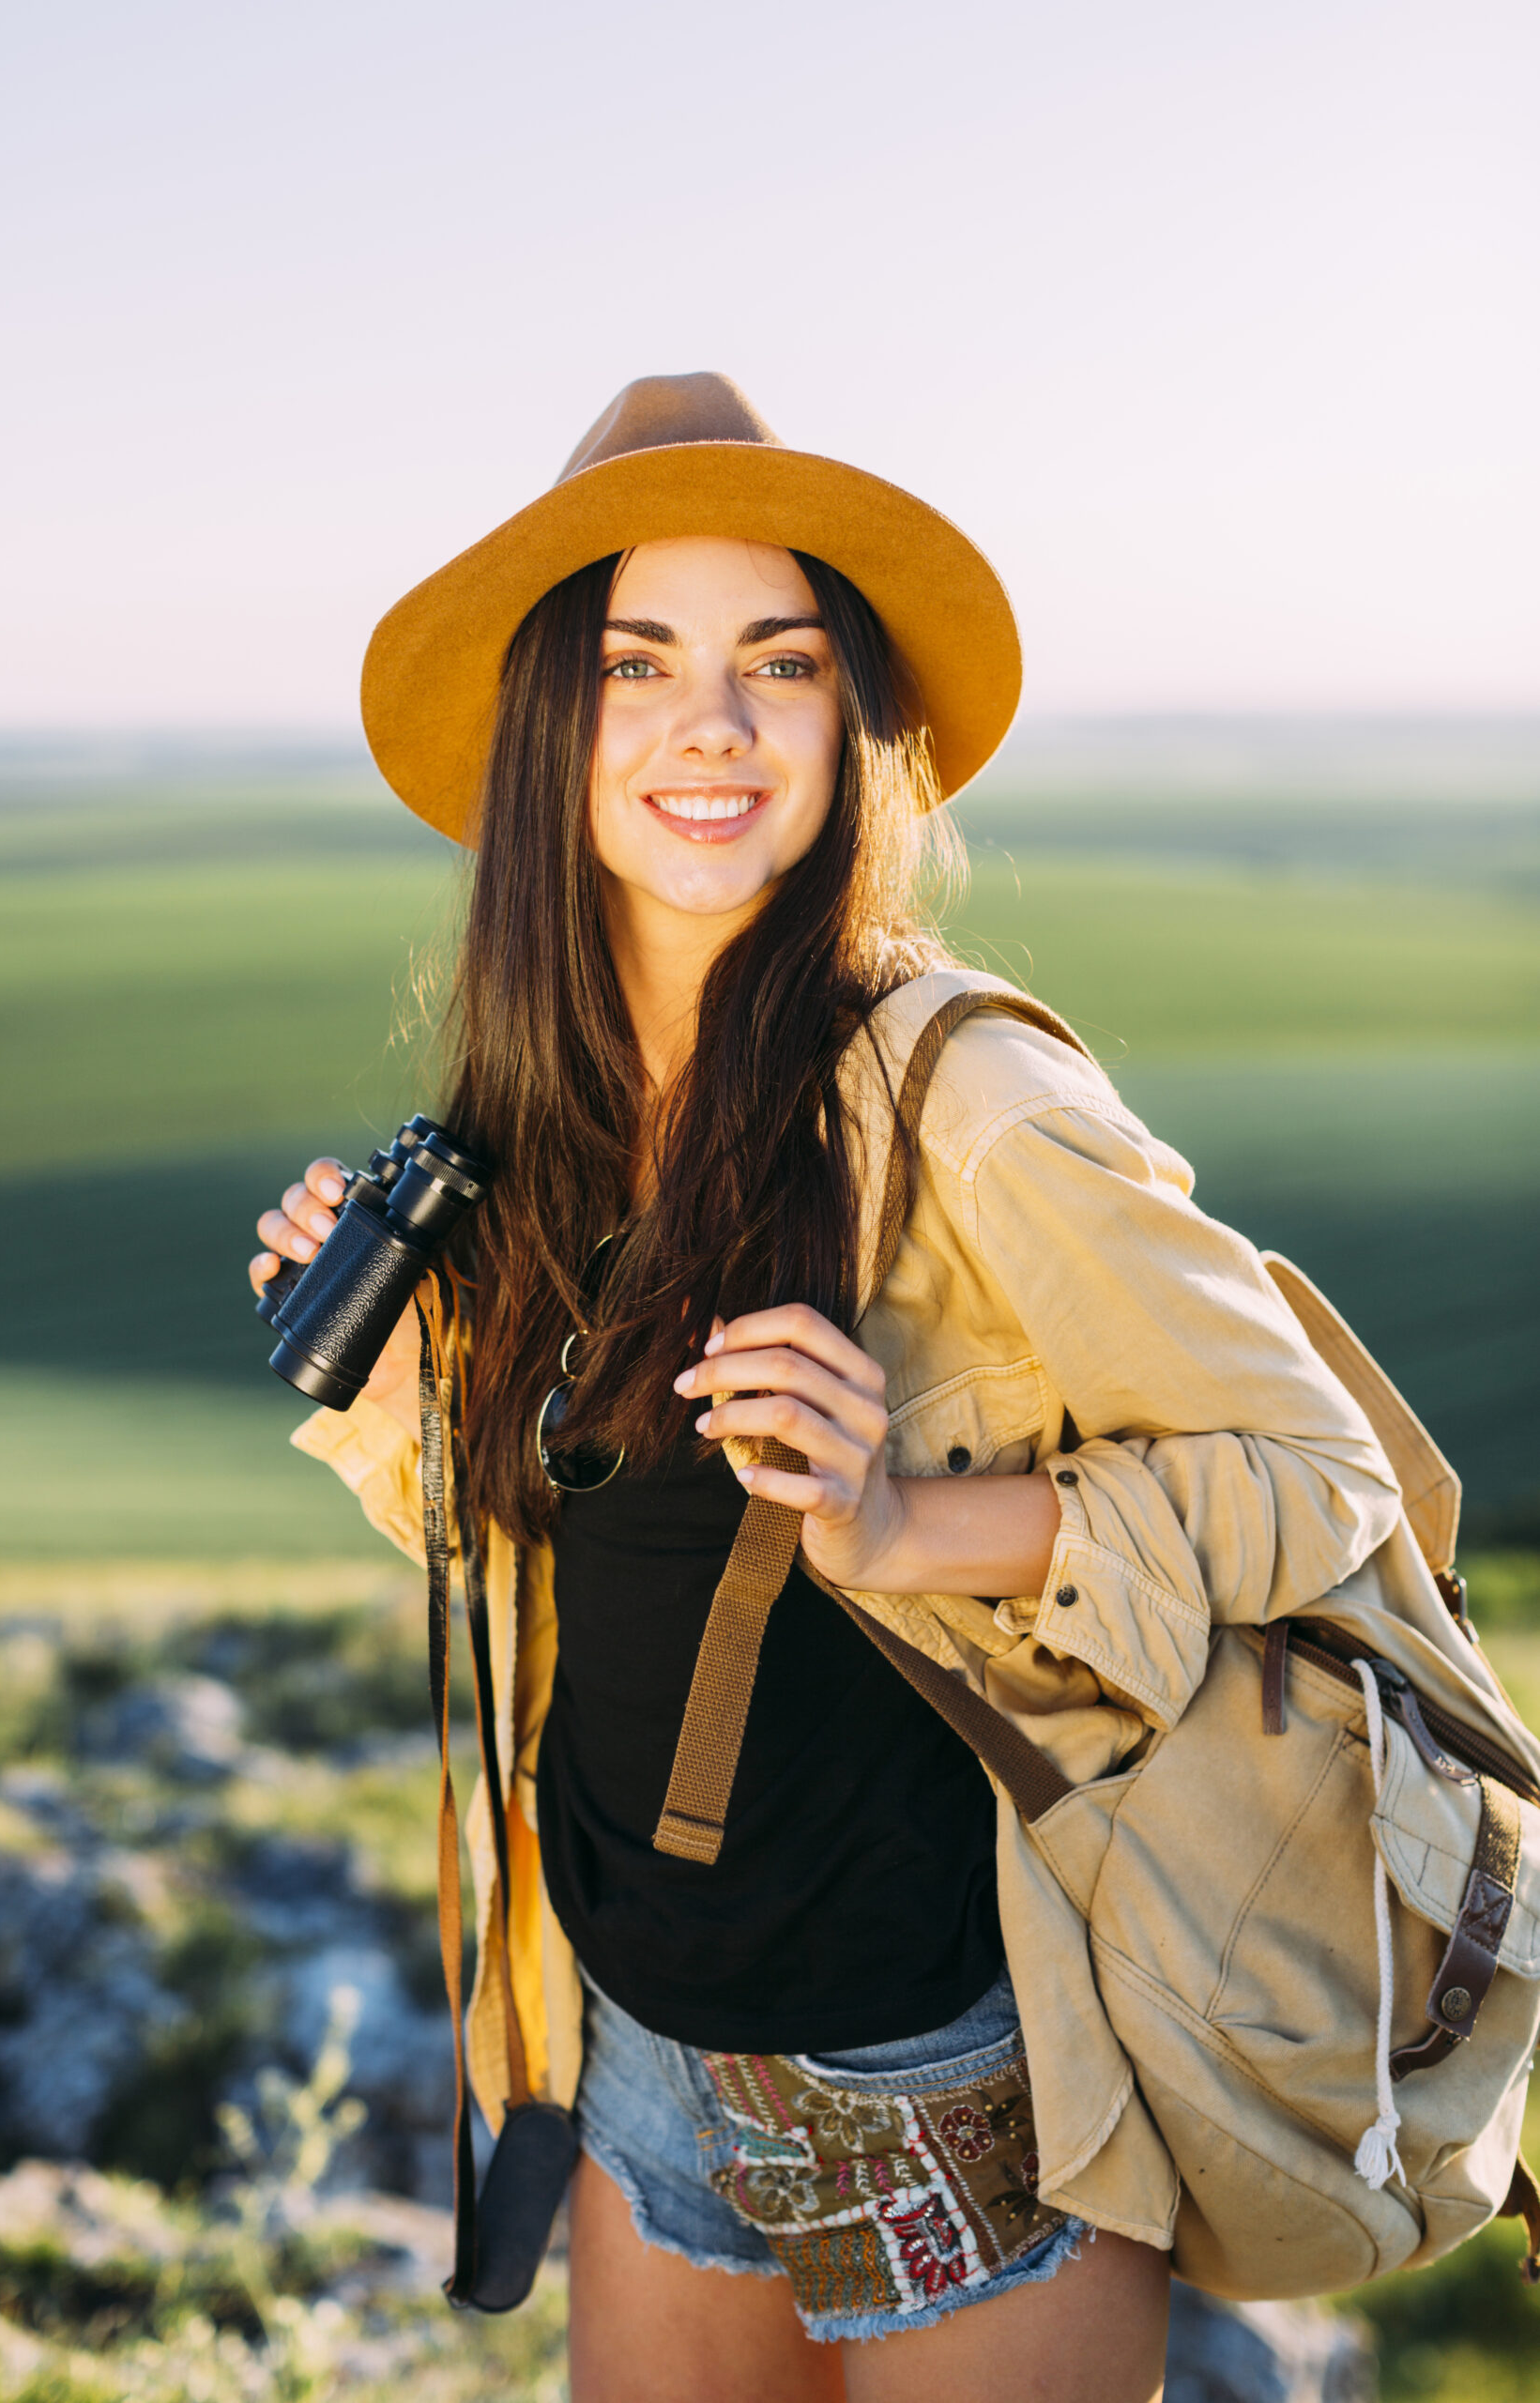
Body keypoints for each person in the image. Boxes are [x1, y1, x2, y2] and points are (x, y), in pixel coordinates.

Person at [249, 375, 1400, 2403]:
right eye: (638, 662)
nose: (712, 720)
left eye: (777, 663)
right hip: (632, 2041)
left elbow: (1317, 1477)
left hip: (940, 2056)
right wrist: (409, 1371)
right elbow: (559, 1546)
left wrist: (898, 1521)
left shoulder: (967, 1091)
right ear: (548, 732)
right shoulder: (543, 1113)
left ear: (846, 727)